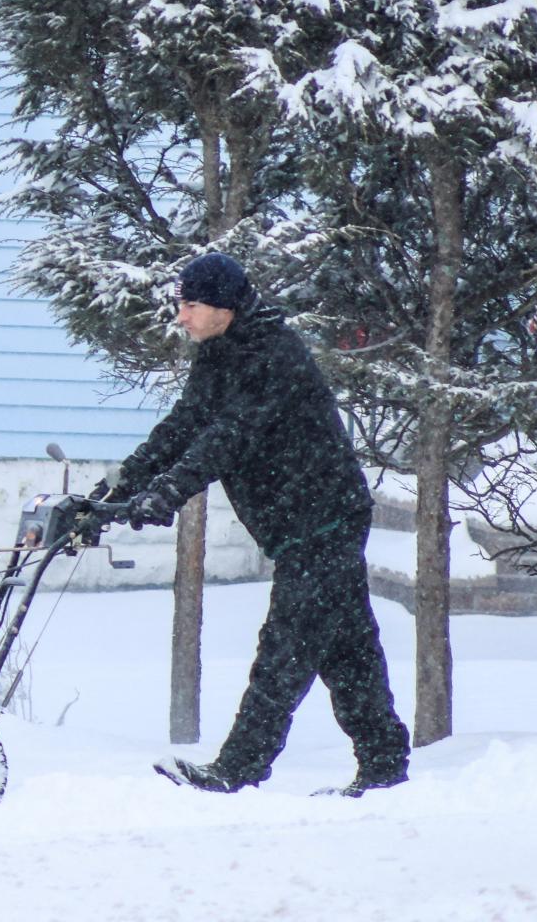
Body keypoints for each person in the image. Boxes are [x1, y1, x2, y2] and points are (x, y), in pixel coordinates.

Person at [97, 251, 411, 797]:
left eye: (191, 305)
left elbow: (231, 437)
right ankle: (384, 763)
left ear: (224, 307)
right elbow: (185, 425)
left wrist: (170, 491)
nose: (181, 317)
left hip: (324, 518)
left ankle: (238, 769)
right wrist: (117, 491)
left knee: (286, 644)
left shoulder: (274, 356)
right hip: (295, 525)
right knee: (346, 647)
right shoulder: (221, 353)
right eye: (181, 304)